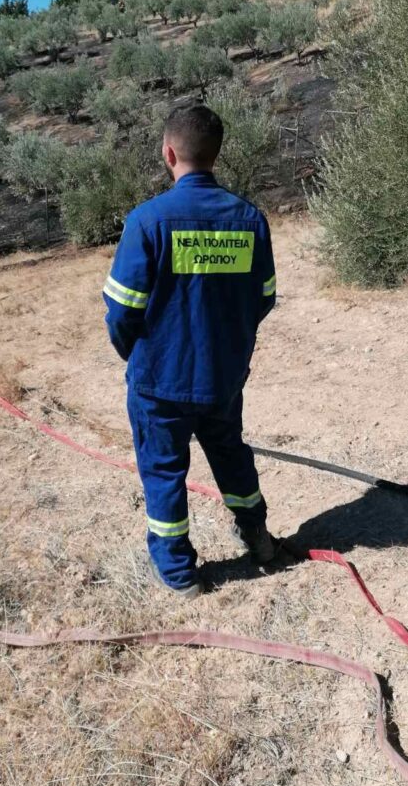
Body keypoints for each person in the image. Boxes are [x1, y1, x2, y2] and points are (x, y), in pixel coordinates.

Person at [102, 103, 277, 599]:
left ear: (169, 153)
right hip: (222, 378)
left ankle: (179, 573)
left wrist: (136, 356)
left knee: (162, 471)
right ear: (216, 155)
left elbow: (120, 312)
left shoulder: (147, 221)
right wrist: (229, 345)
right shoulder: (249, 219)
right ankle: (258, 538)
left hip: (160, 380)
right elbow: (263, 297)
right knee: (232, 456)